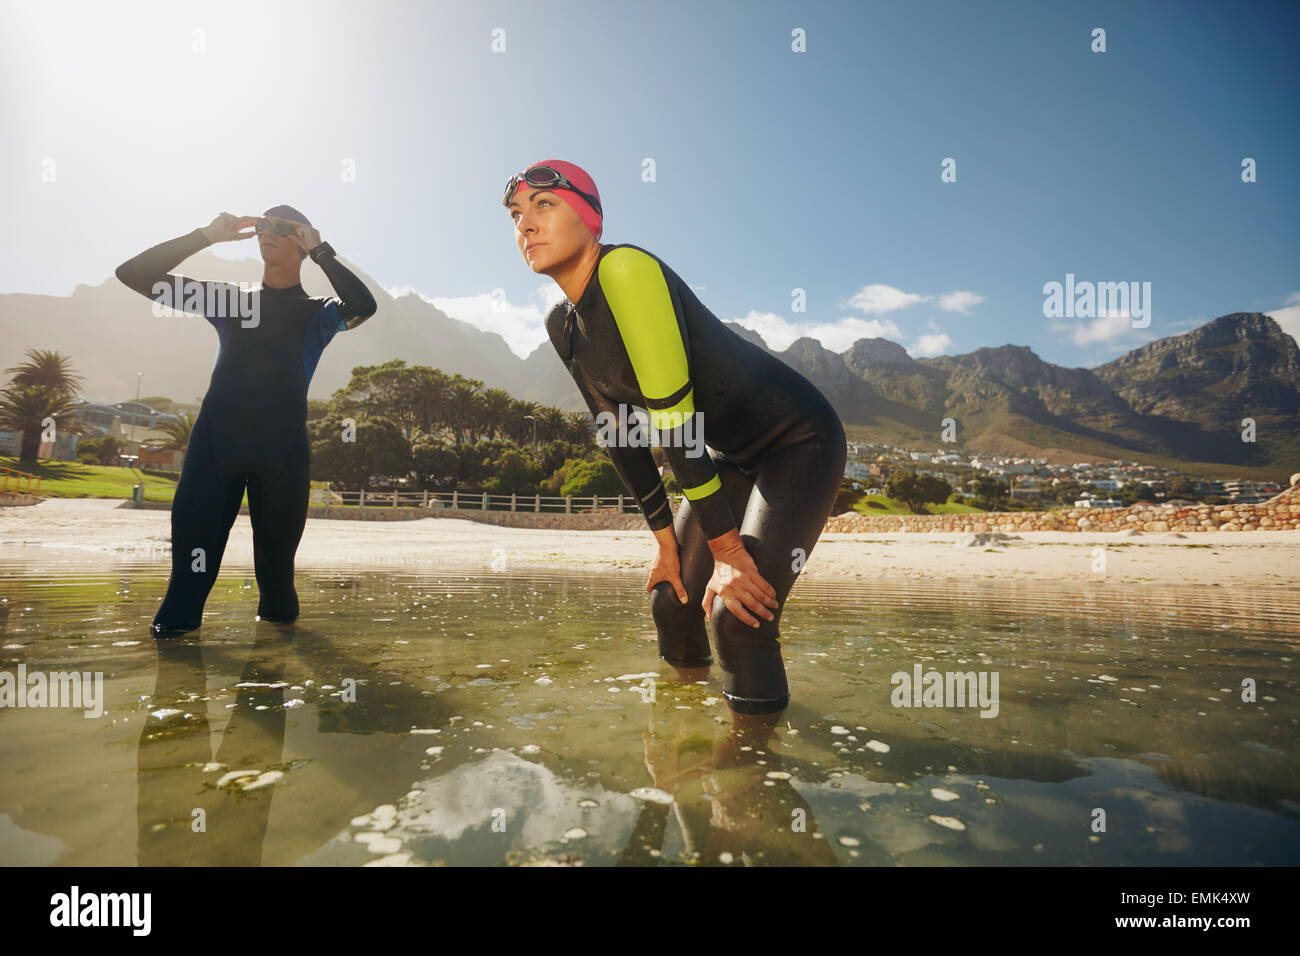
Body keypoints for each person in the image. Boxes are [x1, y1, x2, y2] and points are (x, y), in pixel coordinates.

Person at [505, 160, 847, 722]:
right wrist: (666, 544)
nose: (526, 225)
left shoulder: (626, 270)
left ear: (590, 217)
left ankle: (752, 775)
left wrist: (730, 553)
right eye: (518, 214)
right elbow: (618, 435)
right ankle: (683, 742)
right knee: (674, 599)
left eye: (545, 205)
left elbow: (673, 422)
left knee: (737, 614)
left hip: (798, 441)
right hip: (727, 455)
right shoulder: (561, 325)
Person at [116, 206, 377, 637]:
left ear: (301, 239)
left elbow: (364, 305)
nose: (265, 233)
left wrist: (321, 252)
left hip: (283, 462)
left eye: (280, 227)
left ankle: (274, 679)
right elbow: (134, 275)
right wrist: (204, 236)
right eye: (261, 225)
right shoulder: (230, 300)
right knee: (184, 592)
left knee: (277, 594)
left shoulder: (319, 312)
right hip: (212, 456)